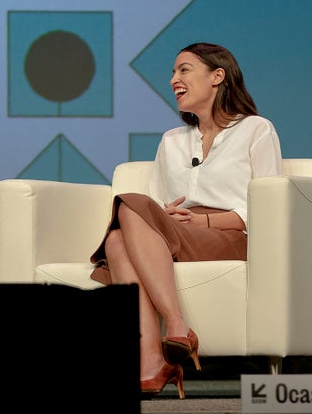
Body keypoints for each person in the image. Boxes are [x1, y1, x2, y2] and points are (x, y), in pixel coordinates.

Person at [89, 42, 282, 399]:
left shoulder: (256, 130)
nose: (173, 79)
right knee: (119, 236)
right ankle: (151, 360)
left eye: (184, 70)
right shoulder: (172, 141)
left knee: (126, 211)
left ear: (217, 76)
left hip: (232, 236)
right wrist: (168, 216)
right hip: (177, 233)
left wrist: (204, 223)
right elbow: (156, 204)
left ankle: (174, 329)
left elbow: (268, 208)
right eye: (173, 72)